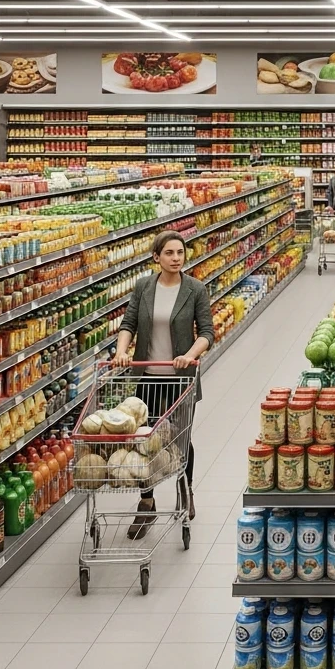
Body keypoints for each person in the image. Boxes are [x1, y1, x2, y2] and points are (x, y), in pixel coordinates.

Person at [113, 230, 215, 539]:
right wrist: (121, 351)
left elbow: (207, 332)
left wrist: (189, 355)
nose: (175, 258)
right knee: (144, 440)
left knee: (180, 438)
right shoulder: (144, 287)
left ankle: (186, 488)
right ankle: (147, 502)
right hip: (146, 376)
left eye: (180, 253)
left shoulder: (195, 289)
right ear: (156, 257)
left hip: (180, 379)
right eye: (169, 253)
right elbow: (128, 324)